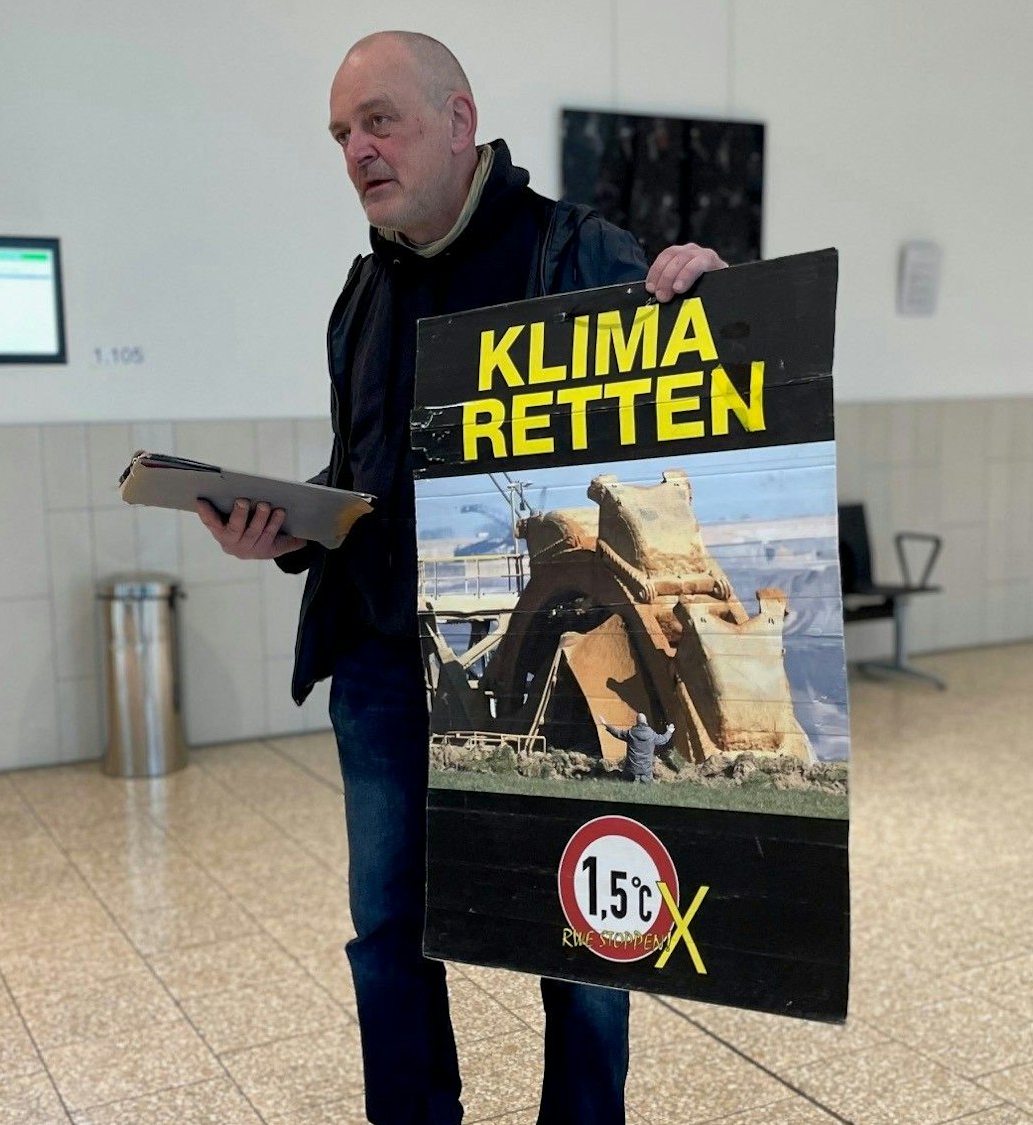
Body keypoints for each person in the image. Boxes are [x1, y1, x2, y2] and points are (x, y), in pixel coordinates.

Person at [197, 30, 725, 1125]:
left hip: (556, 664)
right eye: (342, 133)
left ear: (457, 120)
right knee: (387, 932)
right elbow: (368, 479)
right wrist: (286, 527)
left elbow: (693, 412)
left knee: (582, 934)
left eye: (377, 120)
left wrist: (708, 299)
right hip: (388, 666)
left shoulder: (576, 252)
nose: (356, 151)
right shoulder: (365, 294)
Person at [602, 713, 676, 784]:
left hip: (630, 772)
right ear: (646, 722)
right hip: (646, 773)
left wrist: (606, 725)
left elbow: (617, 733)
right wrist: (669, 731)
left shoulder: (631, 734)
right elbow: (664, 739)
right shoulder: (652, 735)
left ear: (636, 722)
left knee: (620, 774)